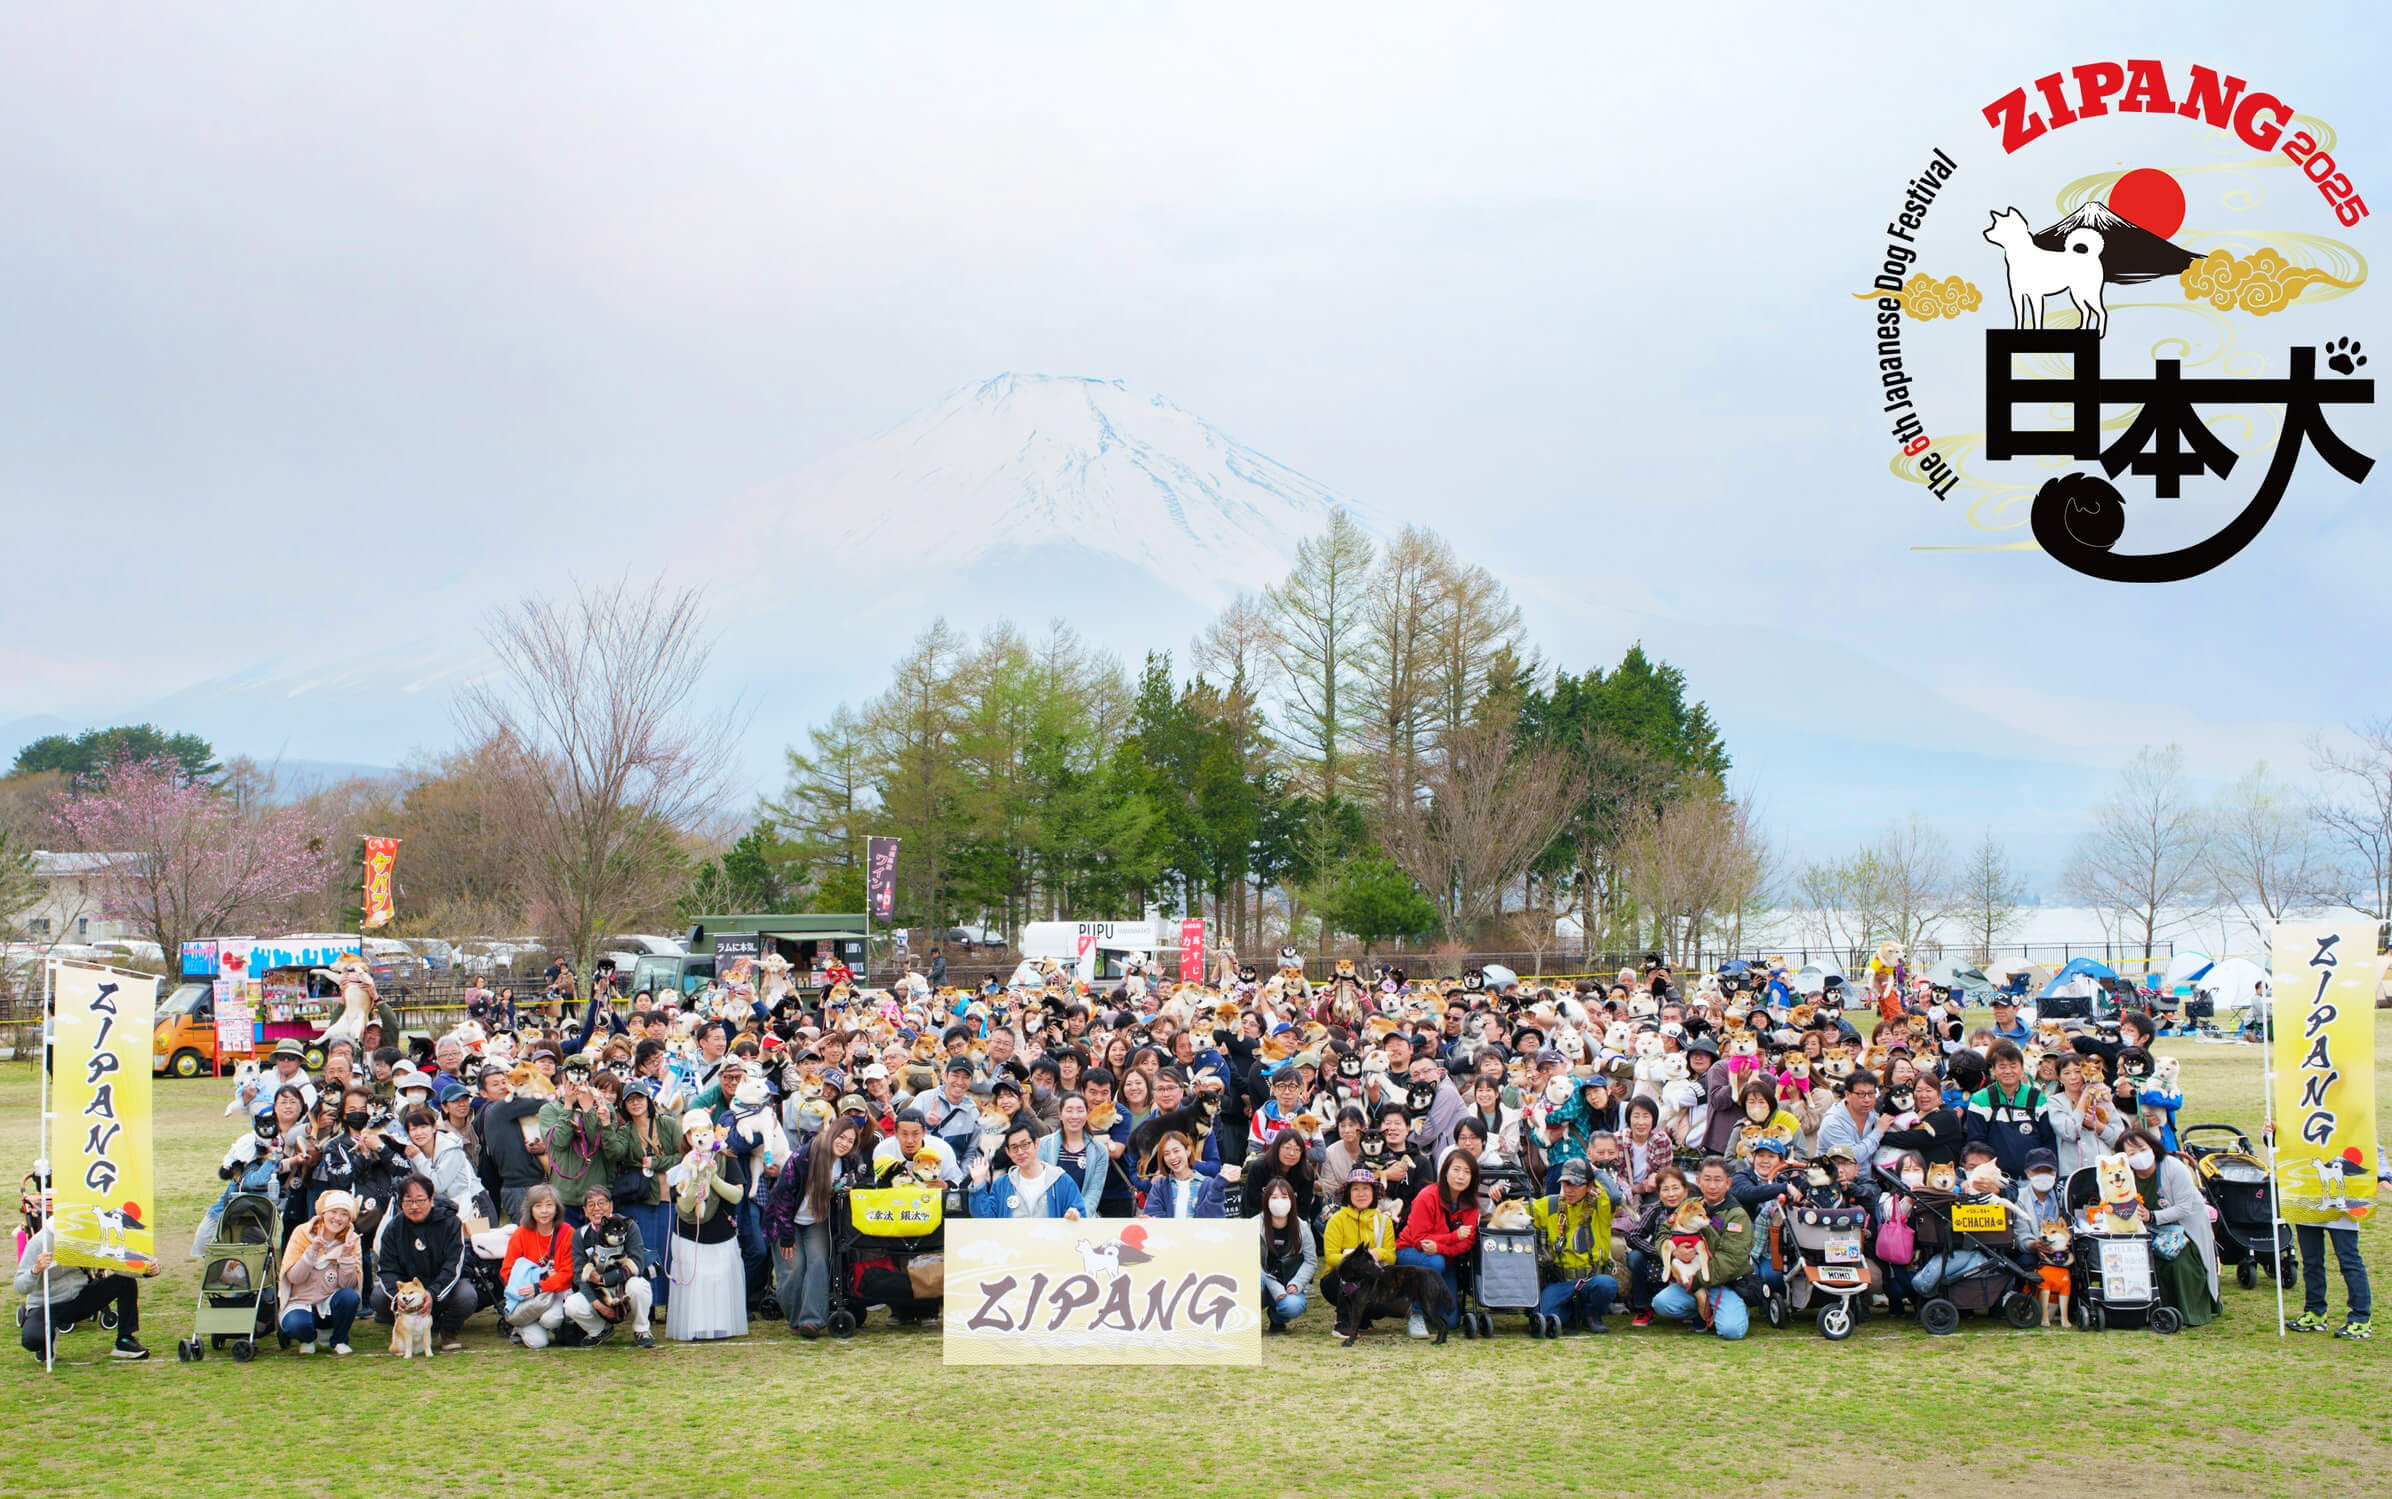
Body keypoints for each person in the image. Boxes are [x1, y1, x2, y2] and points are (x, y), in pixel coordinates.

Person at [768, 1113, 876, 1339]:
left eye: (850, 1141)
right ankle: (795, 1318)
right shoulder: (804, 1156)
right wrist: (786, 1234)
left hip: (816, 1219)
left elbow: (855, 1182)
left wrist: (848, 1187)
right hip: (786, 1221)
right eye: (841, 1137)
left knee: (818, 1263)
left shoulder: (848, 1162)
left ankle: (812, 1321)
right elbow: (782, 1196)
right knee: (794, 1269)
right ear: (831, 1133)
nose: (844, 1143)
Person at [14, 1178, 148, 1360]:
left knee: (125, 1282)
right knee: (31, 1340)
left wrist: (146, 1271)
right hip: (47, 1305)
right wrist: (36, 1270)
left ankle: (125, 1340)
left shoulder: (85, 1234)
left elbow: (115, 1263)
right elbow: (20, 1286)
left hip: (81, 1297)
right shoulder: (39, 1243)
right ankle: (46, 1342)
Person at [2119, 1126, 2220, 1327]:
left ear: (2152, 1147)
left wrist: (2152, 1216)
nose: (2139, 1156)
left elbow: (2184, 1208)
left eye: (2142, 1149)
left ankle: (2187, 1311)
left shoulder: (2173, 1167)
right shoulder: (2124, 1175)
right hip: (2145, 1232)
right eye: (2131, 1153)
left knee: (2177, 1263)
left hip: (2184, 1230)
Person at [667, 1108, 750, 1342]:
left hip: (721, 1232)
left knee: (719, 1278)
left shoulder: (726, 1159)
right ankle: (695, 1326)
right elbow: (683, 1206)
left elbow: (736, 1195)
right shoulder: (682, 1165)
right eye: (692, 1133)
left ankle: (720, 1325)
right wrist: (695, 1180)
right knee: (696, 1279)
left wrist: (713, 1178)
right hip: (689, 1234)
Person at [1649, 1157, 1753, 1341]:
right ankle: (1701, 1311)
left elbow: (1730, 1260)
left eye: (1718, 1180)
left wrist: (1695, 1280)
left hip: (1723, 1283)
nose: (1712, 1186)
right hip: (1692, 1279)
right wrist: (1675, 1252)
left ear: (1728, 1183)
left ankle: (1735, 1308)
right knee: (1661, 1303)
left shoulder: (1736, 1215)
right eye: (1707, 1179)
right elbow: (1663, 1233)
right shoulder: (1690, 1205)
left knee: (1731, 1331)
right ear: (1698, 1181)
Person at [373, 1174, 476, 1352]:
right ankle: (405, 1328)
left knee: (466, 1296)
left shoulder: (450, 1223)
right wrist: (399, 1297)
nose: (414, 1206)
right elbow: (386, 1269)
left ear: (431, 1199)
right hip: (409, 1293)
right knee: (378, 1297)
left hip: (441, 1290)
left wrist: (431, 1293)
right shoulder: (393, 1228)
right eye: (408, 1201)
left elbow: (453, 1265)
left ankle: (447, 1330)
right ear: (401, 1203)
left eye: (420, 1200)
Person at [1394, 1149, 1481, 1337]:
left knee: (1450, 1321)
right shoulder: (1427, 1196)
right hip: (1410, 1251)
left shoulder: (1472, 1202)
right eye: (1456, 1169)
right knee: (1434, 1261)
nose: (1461, 1176)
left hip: (1445, 1258)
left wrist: (1441, 1246)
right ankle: (1416, 1313)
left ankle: (1422, 1303)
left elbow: (1467, 1242)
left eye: (1467, 1172)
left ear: (1473, 1177)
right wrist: (1454, 1237)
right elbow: (1419, 1239)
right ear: (1445, 1171)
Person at [1527, 1159, 1618, 1334]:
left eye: (1575, 1184)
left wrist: (1596, 1172)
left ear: (1589, 1186)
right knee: (1542, 1318)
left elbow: (1614, 1195)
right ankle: (1573, 1314)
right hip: (1561, 1282)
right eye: (1565, 1183)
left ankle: (1592, 1315)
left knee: (1607, 1285)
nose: (1569, 1190)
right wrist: (1501, 1196)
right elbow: (1519, 1211)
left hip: (1591, 1280)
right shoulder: (1551, 1204)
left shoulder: (1600, 1207)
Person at [564, 1186, 655, 1348]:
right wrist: (598, 1304)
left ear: (611, 1205)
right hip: (599, 1292)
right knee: (571, 1304)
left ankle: (641, 1329)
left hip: (625, 1286)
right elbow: (579, 1276)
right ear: (585, 1211)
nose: (597, 1208)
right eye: (591, 1205)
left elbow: (637, 1264)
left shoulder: (627, 1225)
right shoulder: (580, 1235)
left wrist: (604, 1279)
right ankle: (600, 1330)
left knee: (639, 1286)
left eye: (601, 1203)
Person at [278, 1188, 364, 1354]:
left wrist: (346, 1257)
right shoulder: (302, 1232)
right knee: (297, 1324)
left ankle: (338, 1339)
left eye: (344, 1214)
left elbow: (347, 1285)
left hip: (330, 1301)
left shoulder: (351, 1239)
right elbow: (294, 1278)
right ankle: (308, 1338)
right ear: (324, 1213)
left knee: (349, 1297)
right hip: (301, 1300)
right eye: (333, 1212)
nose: (337, 1218)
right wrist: (313, 1250)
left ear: (349, 1219)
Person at [1319, 1170, 1400, 1329]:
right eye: (1355, 1189)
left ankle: (1363, 1316)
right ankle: (1343, 1321)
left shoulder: (1384, 1221)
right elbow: (1330, 1257)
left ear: (1373, 1193)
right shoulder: (1336, 1220)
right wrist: (1356, 1261)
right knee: (1347, 1274)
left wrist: (1378, 1253)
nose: (1361, 1194)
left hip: (1371, 1279)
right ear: (1348, 1193)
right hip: (1337, 1280)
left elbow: (1391, 1257)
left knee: (1382, 1306)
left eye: (1365, 1188)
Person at [1964, 1040, 2056, 1177]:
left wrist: (2046, 1173)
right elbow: (1975, 1143)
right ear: (1993, 1070)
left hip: (2033, 1177)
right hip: (1995, 1177)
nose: (2008, 1071)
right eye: (2002, 1066)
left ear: (2022, 1069)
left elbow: (2048, 1140)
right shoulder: (1980, 1099)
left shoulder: (2037, 1098)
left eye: (2013, 1066)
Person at [501, 1184, 576, 1348]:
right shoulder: (520, 1234)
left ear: (557, 1208)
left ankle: (538, 1321)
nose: (544, 1211)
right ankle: (520, 1326)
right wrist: (527, 1285)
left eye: (549, 1205)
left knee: (551, 1319)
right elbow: (506, 1271)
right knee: (538, 1343)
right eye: (538, 1206)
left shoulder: (567, 1232)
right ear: (530, 1209)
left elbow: (567, 1274)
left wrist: (540, 1286)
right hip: (525, 1295)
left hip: (555, 1291)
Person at [969, 1122, 1086, 1219]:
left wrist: (1074, 1216)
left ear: (1036, 1144)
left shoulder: (1061, 1180)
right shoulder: (1002, 1185)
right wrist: (978, 1184)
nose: (1020, 1152)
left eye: (1025, 1145)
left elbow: (1079, 1214)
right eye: (1014, 1147)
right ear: (1008, 1152)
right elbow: (985, 1219)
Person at [1035, 1093, 1115, 1220]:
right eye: (1069, 1110)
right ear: (1060, 1114)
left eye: (1080, 1110)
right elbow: (1038, 1185)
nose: (1075, 1116)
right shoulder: (1044, 1145)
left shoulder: (1099, 1151)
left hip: (1082, 1219)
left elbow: (1094, 1191)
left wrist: (1080, 1214)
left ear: (1087, 1113)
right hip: (1049, 1218)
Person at [1256, 1179, 1318, 1333]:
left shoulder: (1302, 1228)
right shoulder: (1253, 1225)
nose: (1280, 1202)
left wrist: (1297, 1283)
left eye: (1284, 1197)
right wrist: (1275, 1288)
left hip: (1288, 1282)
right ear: (1266, 1201)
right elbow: (1249, 1262)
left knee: (1293, 1305)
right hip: (1262, 1281)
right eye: (1274, 1197)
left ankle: (1277, 1318)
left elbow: (1311, 1261)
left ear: (1292, 1200)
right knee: (1256, 1284)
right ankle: (1248, 1320)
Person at [1239, 1127, 1320, 1228]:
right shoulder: (1259, 1167)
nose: (1292, 1153)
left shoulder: (1307, 1172)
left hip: (1292, 1223)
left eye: (1297, 1149)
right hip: (1259, 1221)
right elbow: (1250, 1204)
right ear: (1277, 1147)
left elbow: (1303, 1208)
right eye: (1287, 1148)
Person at [1140, 1132, 1226, 1218]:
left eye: (1176, 1151)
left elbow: (1214, 1219)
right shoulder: (1160, 1186)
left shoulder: (1208, 1184)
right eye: (1166, 1154)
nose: (1172, 1157)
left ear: (1188, 1151)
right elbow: (1153, 1215)